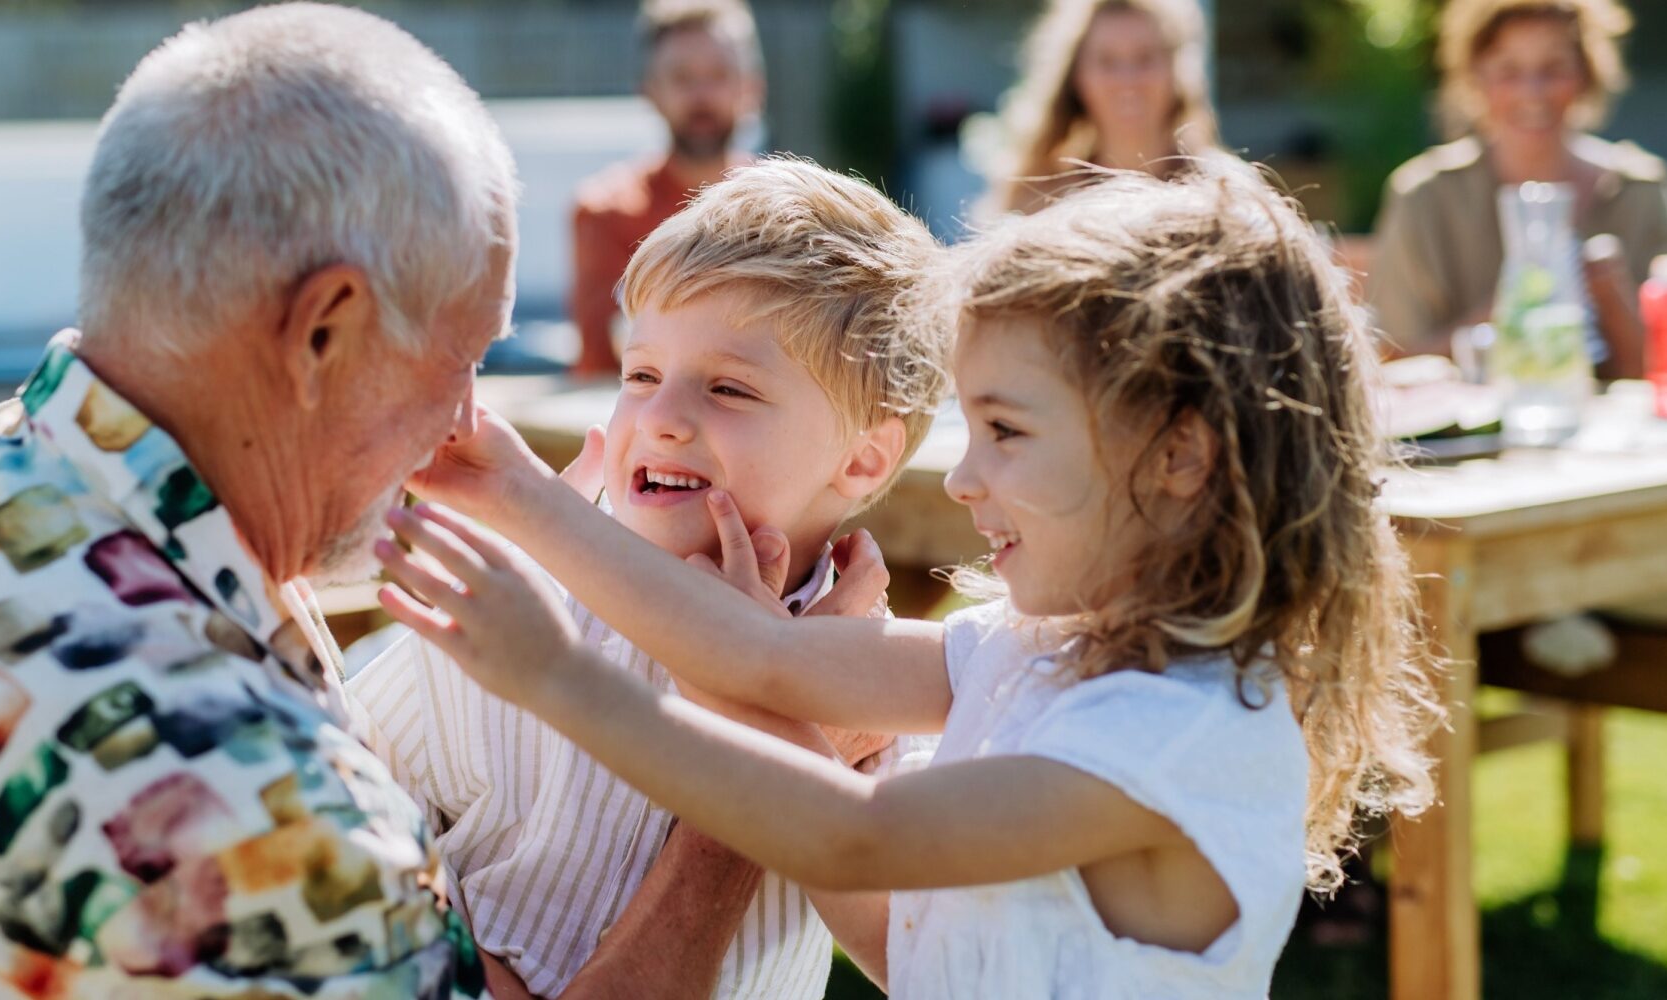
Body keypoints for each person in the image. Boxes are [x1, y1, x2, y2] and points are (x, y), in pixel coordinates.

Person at [0, 6, 754, 997]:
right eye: (463, 357)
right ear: (324, 332)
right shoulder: (256, 807)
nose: (466, 416)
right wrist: (744, 796)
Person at [376, 165, 1443, 997]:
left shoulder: (1176, 735)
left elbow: (853, 837)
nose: (966, 477)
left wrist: (558, 674)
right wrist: (523, 499)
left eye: (1006, 431)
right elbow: (767, 665)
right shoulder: (1029, 655)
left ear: (1179, 456)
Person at [350, 158, 948, 998]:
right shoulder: (515, 612)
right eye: (641, 375)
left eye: (729, 388)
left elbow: (929, 962)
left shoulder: (875, 692)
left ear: (863, 457)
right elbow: (340, 830)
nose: (661, 420)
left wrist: (795, 739)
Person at [1369, 0, 1667, 377]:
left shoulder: (1638, 190)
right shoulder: (1424, 195)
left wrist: (1610, 297)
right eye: (1508, 70)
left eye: (1553, 69)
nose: (1532, 92)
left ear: (1586, 75)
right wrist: (1499, 315)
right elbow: (1390, 363)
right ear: (1477, 78)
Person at [568, 0, 763, 376]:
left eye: (719, 74)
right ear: (650, 91)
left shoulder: (786, 215)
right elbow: (606, 364)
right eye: (682, 78)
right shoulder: (605, 212)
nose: (702, 96)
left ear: (752, 88)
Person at [978, 0, 1224, 216]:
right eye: (1107, 61)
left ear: (1175, 70)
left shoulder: (1222, 194)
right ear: (1077, 76)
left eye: (1145, 58)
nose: (1127, 80)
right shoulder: (1037, 205)